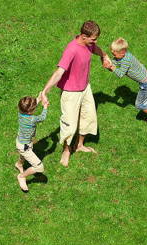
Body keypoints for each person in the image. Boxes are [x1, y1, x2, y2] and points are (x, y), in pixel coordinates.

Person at [40, 20, 111, 167]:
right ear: (84, 36)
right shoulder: (72, 50)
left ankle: (79, 145)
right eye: (93, 39)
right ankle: (66, 150)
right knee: (69, 124)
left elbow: (95, 48)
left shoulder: (88, 44)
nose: (95, 41)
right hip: (71, 93)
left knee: (88, 116)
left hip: (85, 88)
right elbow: (59, 72)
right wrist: (45, 91)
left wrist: (103, 55)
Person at [15, 95, 49, 192]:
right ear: (31, 111)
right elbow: (42, 117)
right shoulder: (32, 119)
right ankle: (22, 176)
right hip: (25, 146)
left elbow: (29, 108)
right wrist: (45, 106)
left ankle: (19, 164)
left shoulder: (20, 113)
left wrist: (38, 99)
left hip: (20, 142)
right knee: (39, 167)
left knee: (23, 155)